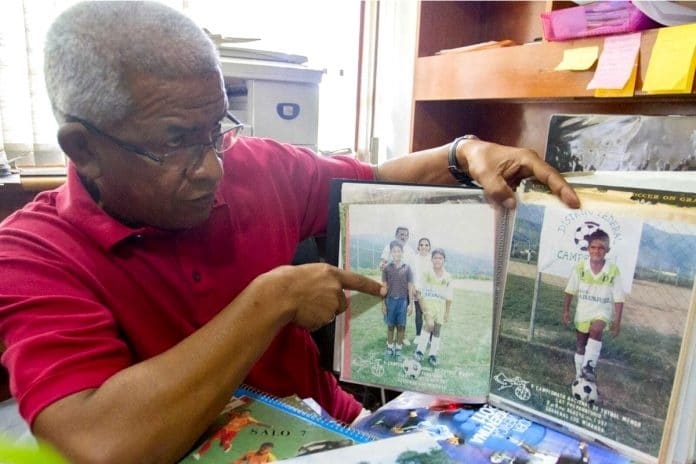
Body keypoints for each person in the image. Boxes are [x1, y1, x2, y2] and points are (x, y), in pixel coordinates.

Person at [0, 2, 579, 462]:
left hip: (340, 429)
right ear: (84, 149)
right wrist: (269, 301)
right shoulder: (32, 254)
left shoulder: (258, 166)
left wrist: (466, 151)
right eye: (175, 142)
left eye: (216, 129)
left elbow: (373, 181)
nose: (211, 168)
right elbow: (101, 443)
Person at [562, 229, 625, 383]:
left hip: (601, 313)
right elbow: (570, 290)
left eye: (601, 248)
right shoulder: (580, 268)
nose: (597, 251)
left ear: (607, 250)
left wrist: (617, 321)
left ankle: (589, 367)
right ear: (588, 249)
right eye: (593, 247)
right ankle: (579, 378)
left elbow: (618, 298)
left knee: (596, 329)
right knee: (580, 347)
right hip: (583, 313)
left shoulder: (613, 271)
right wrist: (566, 311)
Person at [414, 248, 453, 367]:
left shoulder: (448, 276)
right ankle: (419, 351)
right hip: (428, 305)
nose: (437, 260)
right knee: (429, 325)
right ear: (431, 259)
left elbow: (449, 297)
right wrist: (424, 309)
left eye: (440, 258)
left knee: (437, 330)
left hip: (440, 308)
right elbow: (418, 291)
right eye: (435, 257)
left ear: (444, 260)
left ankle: (433, 354)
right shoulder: (427, 273)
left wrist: (447, 313)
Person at [381, 240, 415, 359]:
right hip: (390, 301)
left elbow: (410, 287)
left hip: (403, 301)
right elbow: (384, 287)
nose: (396, 253)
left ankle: (399, 350)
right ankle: (390, 348)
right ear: (391, 253)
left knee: (401, 326)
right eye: (394, 251)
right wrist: (383, 304)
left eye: (399, 251)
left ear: (402, 252)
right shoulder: (386, 268)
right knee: (390, 326)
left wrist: (411, 304)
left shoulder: (407, 268)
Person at [192, 409, 269, 460]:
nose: (244, 414)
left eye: (246, 414)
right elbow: (228, 413)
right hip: (224, 430)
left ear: (248, 415)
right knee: (211, 440)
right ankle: (199, 454)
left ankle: (228, 445)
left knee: (223, 444)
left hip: (232, 433)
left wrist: (266, 425)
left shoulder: (249, 419)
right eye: (244, 413)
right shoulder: (235, 414)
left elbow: (258, 423)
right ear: (241, 412)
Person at [412, 237, 432, 346]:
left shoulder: (432, 259)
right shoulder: (415, 259)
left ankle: (429, 336)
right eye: (422, 244)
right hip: (417, 291)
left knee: (429, 315)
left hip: (429, 292)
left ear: (429, 247)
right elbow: (413, 275)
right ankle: (418, 335)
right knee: (418, 314)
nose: (424, 247)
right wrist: (415, 288)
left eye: (426, 245)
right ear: (418, 247)